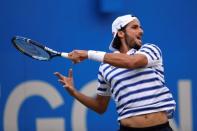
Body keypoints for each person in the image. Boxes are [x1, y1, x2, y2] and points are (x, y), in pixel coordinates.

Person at [54, 14, 176, 131]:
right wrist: (74, 92)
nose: (141, 31)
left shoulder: (151, 49)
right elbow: (100, 106)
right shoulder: (105, 67)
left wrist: (88, 54)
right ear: (121, 33)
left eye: (140, 27)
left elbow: (131, 62)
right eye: (134, 27)